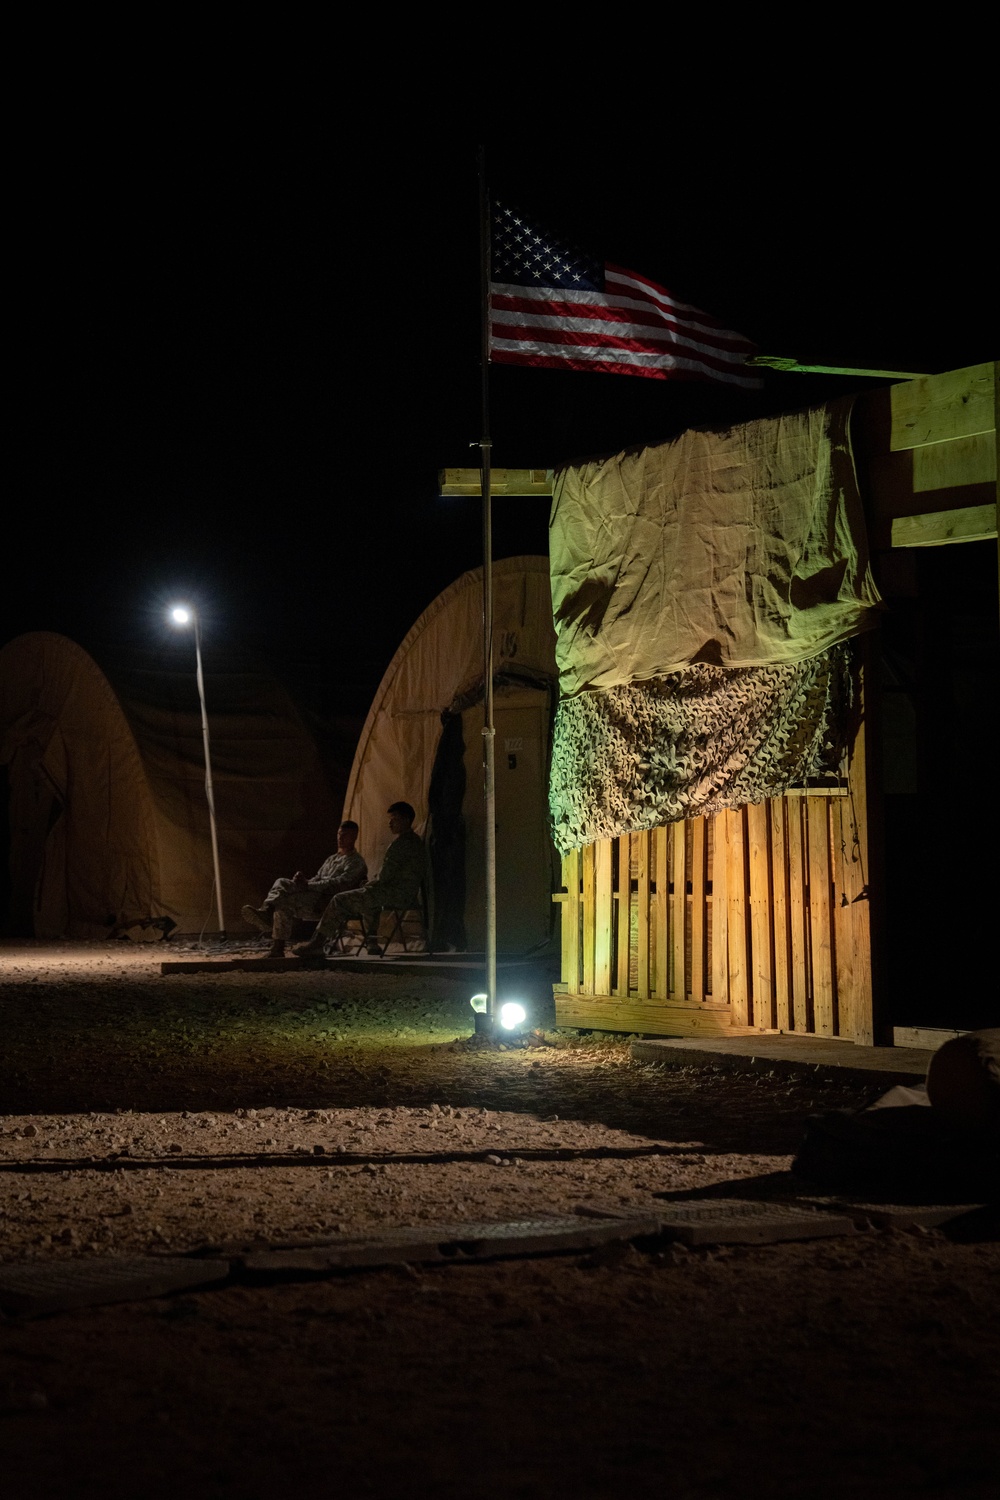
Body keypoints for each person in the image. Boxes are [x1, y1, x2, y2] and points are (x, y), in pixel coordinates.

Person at [294, 801, 425, 957]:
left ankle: (318, 942)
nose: (390, 823)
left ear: (405, 820)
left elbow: (385, 877)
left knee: (340, 900)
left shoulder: (400, 844)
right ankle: (372, 942)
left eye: (394, 819)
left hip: (395, 894)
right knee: (369, 899)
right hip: (407, 894)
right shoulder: (415, 841)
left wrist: (370, 884)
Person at [241, 821, 367, 957]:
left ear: (354, 837)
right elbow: (318, 878)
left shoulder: (356, 862)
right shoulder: (332, 859)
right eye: (339, 834)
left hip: (330, 903)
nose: (340, 839)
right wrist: (304, 881)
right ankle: (268, 912)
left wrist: (308, 885)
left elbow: (339, 884)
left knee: (284, 901)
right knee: (281, 882)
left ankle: (274, 936)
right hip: (313, 897)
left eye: (345, 835)